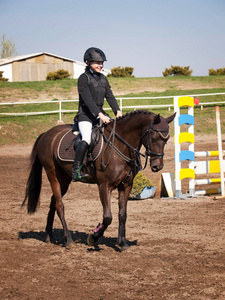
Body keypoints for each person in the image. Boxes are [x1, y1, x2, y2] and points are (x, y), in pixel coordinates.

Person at [72, 47, 122, 182]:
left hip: (101, 113)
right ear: (88, 62)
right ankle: (76, 170)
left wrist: (117, 110)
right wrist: (100, 114)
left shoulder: (103, 79)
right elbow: (87, 100)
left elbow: (110, 96)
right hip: (85, 115)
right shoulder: (84, 79)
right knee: (87, 138)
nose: (100, 65)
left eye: (101, 63)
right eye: (97, 63)